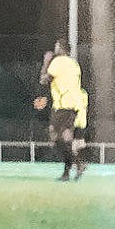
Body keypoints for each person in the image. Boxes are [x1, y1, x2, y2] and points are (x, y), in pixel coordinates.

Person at [38, 39, 87, 180]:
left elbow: (44, 80)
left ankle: (78, 164)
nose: (54, 50)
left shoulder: (58, 62)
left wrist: (46, 62)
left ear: (60, 49)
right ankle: (67, 172)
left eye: (56, 47)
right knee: (66, 137)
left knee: (54, 136)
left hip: (62, 105)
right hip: (74, 105)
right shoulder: (74, 63)